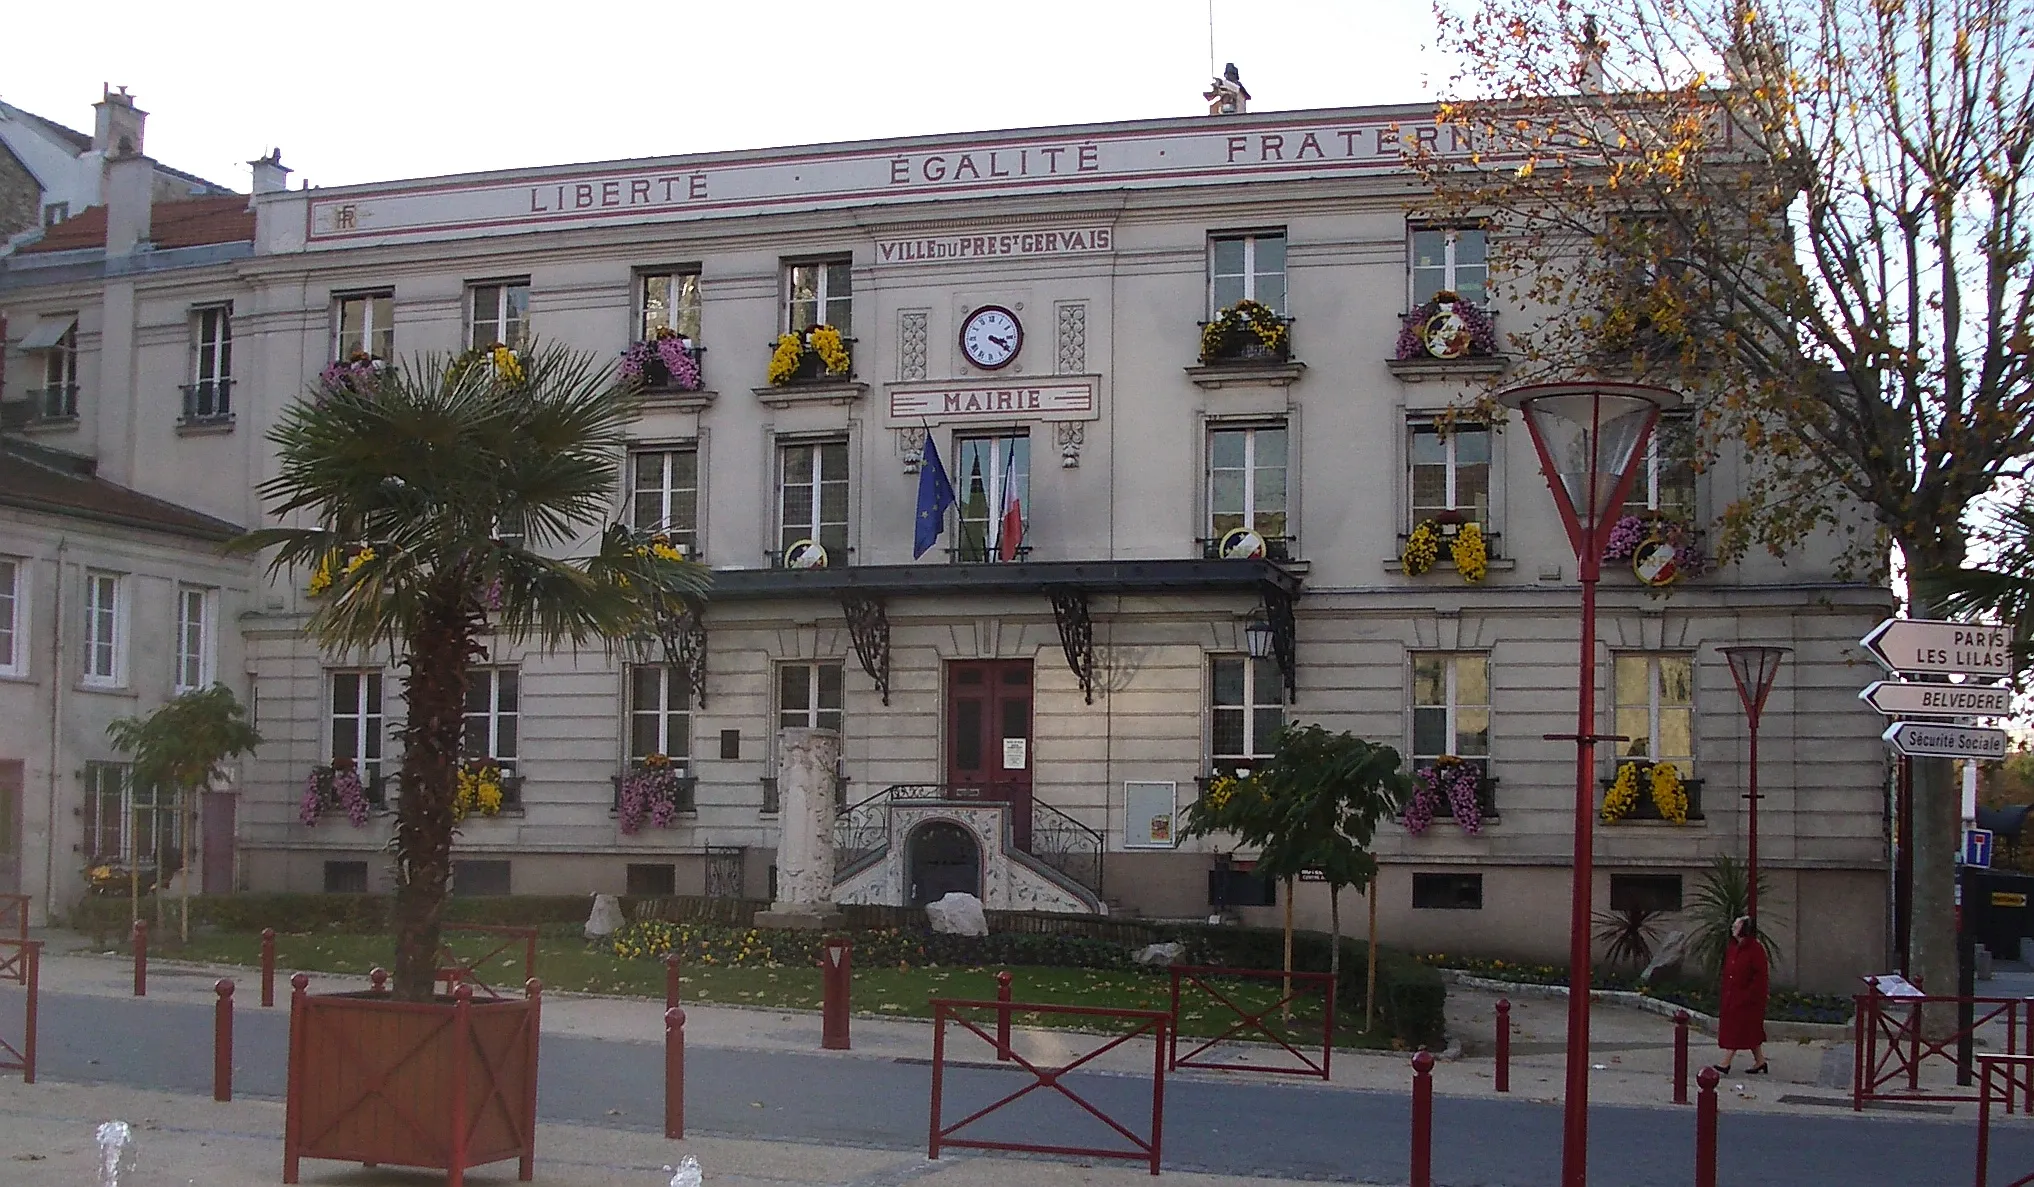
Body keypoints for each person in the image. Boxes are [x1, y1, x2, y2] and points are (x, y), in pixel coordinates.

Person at [1713, 914, 1770, 1075]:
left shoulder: (1755, 949)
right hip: (1733, 994)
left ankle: (1726, 1063)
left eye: (1736, 926)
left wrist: (1750, 994)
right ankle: (1760, 1061)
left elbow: (1760, 976)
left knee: (1737, 1029)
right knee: (1749, 1030)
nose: (1733, 927)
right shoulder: (1733, 948)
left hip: (1748, 998)